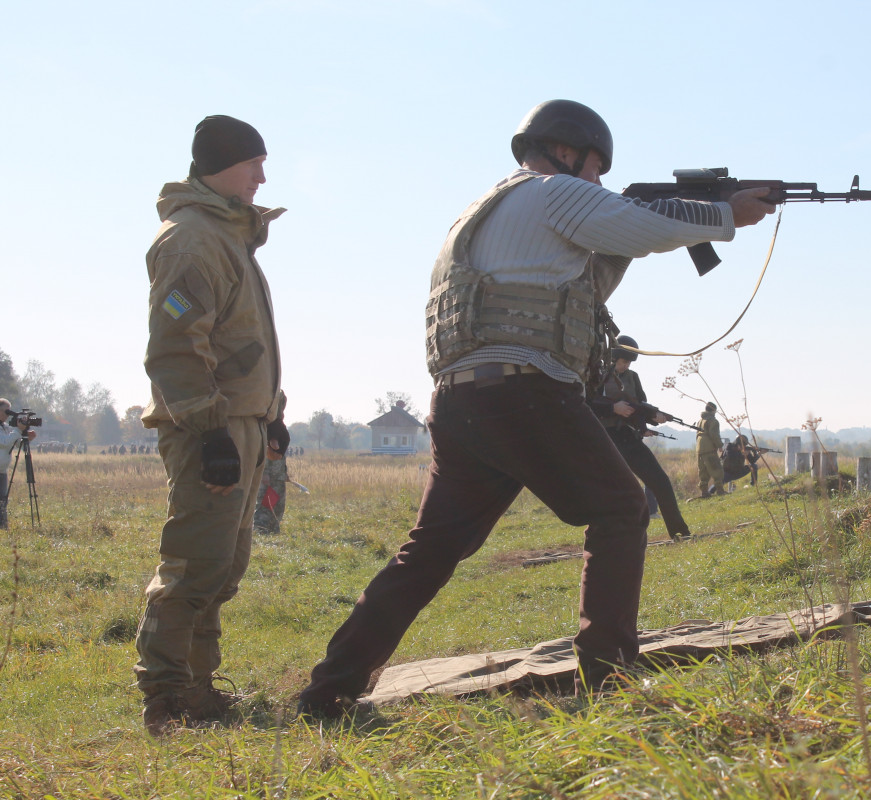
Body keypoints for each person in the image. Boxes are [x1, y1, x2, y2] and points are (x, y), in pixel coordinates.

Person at [297, 99, 773, 715]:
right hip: (524, 391)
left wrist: (664, 224)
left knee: (431, 549)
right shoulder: (552, 192)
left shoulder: (480, 212)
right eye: (594, 169)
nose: (597, 182)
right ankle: (609, 684)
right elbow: (643, 225)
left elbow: (586, 283)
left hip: (463, 400)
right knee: (621, 508)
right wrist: (725, 213)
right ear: (564, 152)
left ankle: (328, 690)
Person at [134, 115, 290, 735]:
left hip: (241, 423)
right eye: (254, 164)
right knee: (194, 566)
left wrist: (272, 416)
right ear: (222, 164)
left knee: (222, 568)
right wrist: (211, 431)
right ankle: (165, 698)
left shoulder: (227, 236)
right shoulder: (192, 240)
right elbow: (176, 348)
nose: (262, 178)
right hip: (210, 429)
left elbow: (239, 340)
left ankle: (197, 691)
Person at [590, 335, 692, 541]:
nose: (626, 365)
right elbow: (586, 402)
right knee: (613, 492)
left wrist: (653, 418)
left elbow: (639, 407)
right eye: (623, 361)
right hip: (604, 438)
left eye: (629, 362)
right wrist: (612, 408)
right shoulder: (597, 374)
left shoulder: (632, 377)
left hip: (628, 437)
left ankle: (678, 530)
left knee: (660, 481)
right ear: (613, 357)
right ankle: (609, 539)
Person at [253, 394, 289, 534]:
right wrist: (264, 473)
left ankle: (273, 528)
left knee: (278, 504)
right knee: (264, 504)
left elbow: (280, 454)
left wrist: (284, 472)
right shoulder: (266, 426)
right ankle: (260, 529)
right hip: (267, 475)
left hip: (278, 475)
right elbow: (263, 451)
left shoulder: (278, 426)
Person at [0, 398, 37, 529]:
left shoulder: (5, 427)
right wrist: (18, 430)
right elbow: (4, 442)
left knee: (3, 500)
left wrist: (26, 438)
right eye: (6, 411)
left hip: (2, 471)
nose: (8, 414)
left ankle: (3, 527)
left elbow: (14, 443)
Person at [695, 402, 724, 497]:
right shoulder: (713, 421)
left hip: (699, 448)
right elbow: (714, 435)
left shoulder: (700, 420)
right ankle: (720, 490)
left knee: (703, 471)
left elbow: (697, 435)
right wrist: (720, 445)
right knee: (716, 469)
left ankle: (704, 492)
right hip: (709, 448)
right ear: (714, 410)